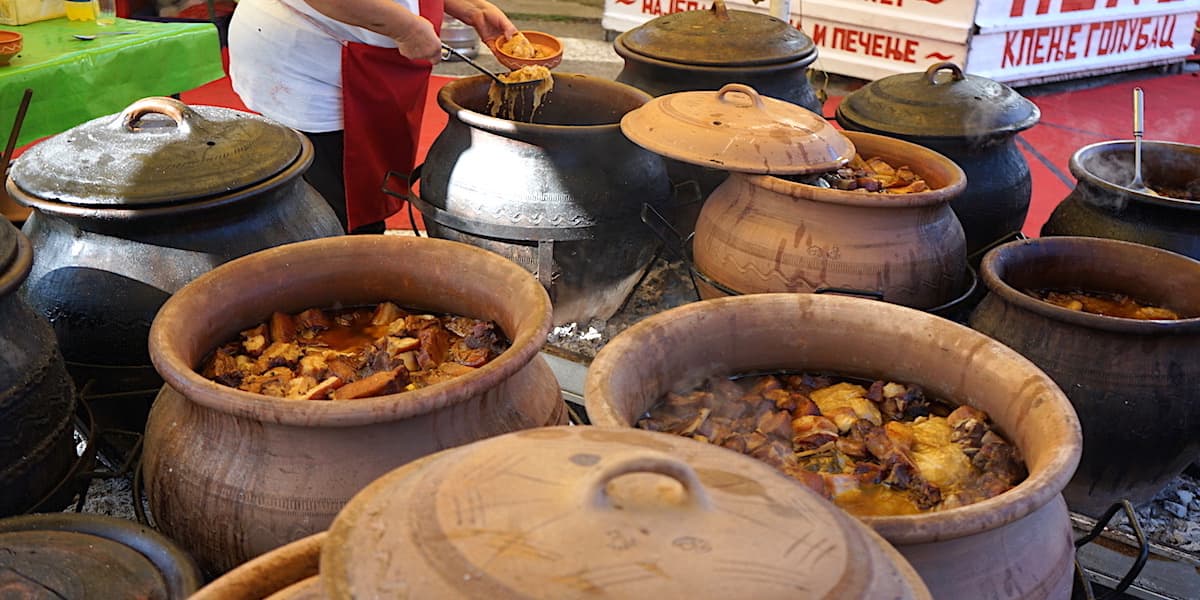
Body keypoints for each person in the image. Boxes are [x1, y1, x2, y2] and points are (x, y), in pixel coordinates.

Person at [228, 0, 518, 233]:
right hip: (316, 65)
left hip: (361, 56)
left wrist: (469, 7)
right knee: (334, 214)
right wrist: (407, 29)